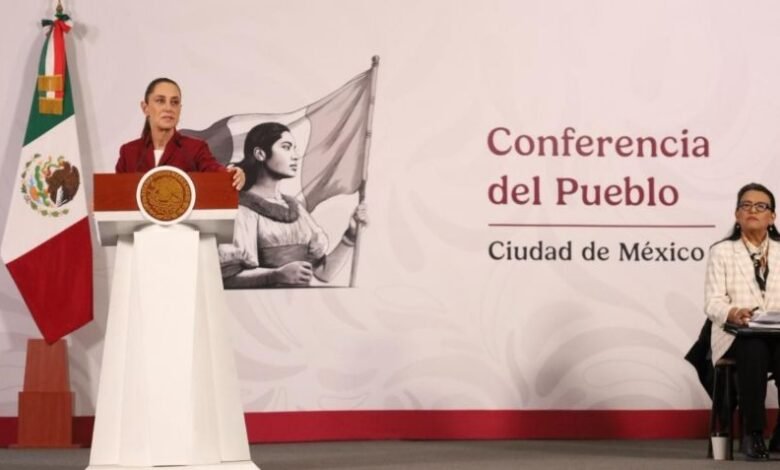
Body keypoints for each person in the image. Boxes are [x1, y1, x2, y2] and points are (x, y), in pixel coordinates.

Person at [219, 122, 366, 288]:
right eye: (286, 147)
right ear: (260, 154)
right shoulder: (241, 210)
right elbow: (227, 279)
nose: (295, 156)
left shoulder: (296, 209)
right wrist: (275, 275)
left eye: (294, 148)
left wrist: (350, 235)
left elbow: (324, 273)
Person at [704, 182, 780, 461]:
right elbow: (712, 303)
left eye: (761, 206)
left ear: (772, 217)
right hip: (736, 334)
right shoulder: (722, 251)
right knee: (754, 347)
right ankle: (754, 433)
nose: (752, 211)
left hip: (777, 333)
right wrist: (733, 312)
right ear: (737, 215)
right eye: (745, 206)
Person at [115, 77, 245, 190]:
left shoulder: (196, 149)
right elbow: (117, 195)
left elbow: (217, 172)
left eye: (174, 102)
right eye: (160, 101)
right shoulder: (128, 152)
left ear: (179, 109)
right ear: (145, 108)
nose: (168, 108)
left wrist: (235, 174)